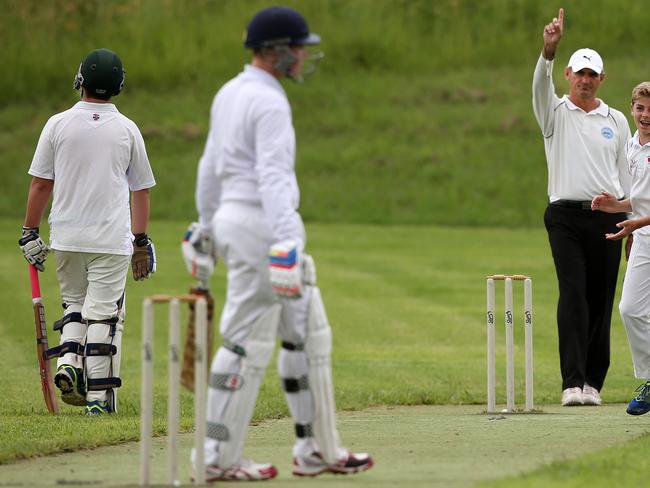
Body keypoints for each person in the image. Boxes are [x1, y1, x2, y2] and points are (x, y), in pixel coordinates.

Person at [183, 5, 373, 482]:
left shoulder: (230, 91)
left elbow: (209, 166)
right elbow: (270, 175)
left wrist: (206, 225)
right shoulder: (268, 101)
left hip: (235, 220)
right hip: (259, 229)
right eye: (299, 50)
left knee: (309, 333)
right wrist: (287, 241)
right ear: (277, 51)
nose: (304, 59)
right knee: (245, 342)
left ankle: (317, 449)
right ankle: (215, 458)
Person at [19, 48, 156, 415]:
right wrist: (140, 240)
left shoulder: (57, 124)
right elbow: (140, 190)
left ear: (80, 79)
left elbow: (40, 185)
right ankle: (97, 398)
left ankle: (67, 362)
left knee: (75, 307)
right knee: (104, 315)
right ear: (119, 86)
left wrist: (29, 231)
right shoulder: (127, 129)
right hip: (111, 239)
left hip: (67, 236)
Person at [532, 8, 631, 406]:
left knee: (601, 296)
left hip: (608, 218)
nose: (585, 81)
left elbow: (628, 178)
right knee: (573, 292)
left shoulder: (617, 120)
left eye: (592, 75)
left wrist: (631, 221)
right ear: (568, 76)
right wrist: (549, 51)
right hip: (565, 217)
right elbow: (540, 85)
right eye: (579, 74)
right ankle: (571, 383)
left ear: (601, 79)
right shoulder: (554, 112)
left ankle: (593, 383)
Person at [591, 82, 650, 415]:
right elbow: (640, 200)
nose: (646, 115)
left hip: (642, 231)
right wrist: (616, 207)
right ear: (632, 109)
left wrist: (635, 224)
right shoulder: (631, 146)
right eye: (640, 108)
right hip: (644, 240)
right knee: (629, 310)